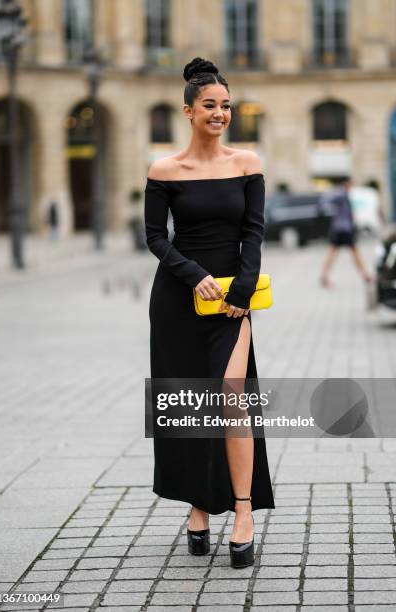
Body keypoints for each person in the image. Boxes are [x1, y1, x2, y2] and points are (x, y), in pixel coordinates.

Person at [144, 57, 275, 569]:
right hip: (178, 299)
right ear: (188, 111)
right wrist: (191, 273)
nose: (220, 113)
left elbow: (254, 232)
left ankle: (242, 510)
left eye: (226, 105)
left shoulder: (247, 163)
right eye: (210, 106)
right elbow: (155, 237)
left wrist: (242, 288)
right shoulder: (164, 169)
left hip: (233, 300)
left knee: (231, 398)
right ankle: (199, 504)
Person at [320, 177, 373, 288]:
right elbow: (325, 200)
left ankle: (324, 276)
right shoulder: (341, 193)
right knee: (350, 253)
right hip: (342, 230)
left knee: (337, 253)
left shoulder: (344, 194)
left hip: (342, 229)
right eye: (351, 183)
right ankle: (365, 275)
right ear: (346, 183)